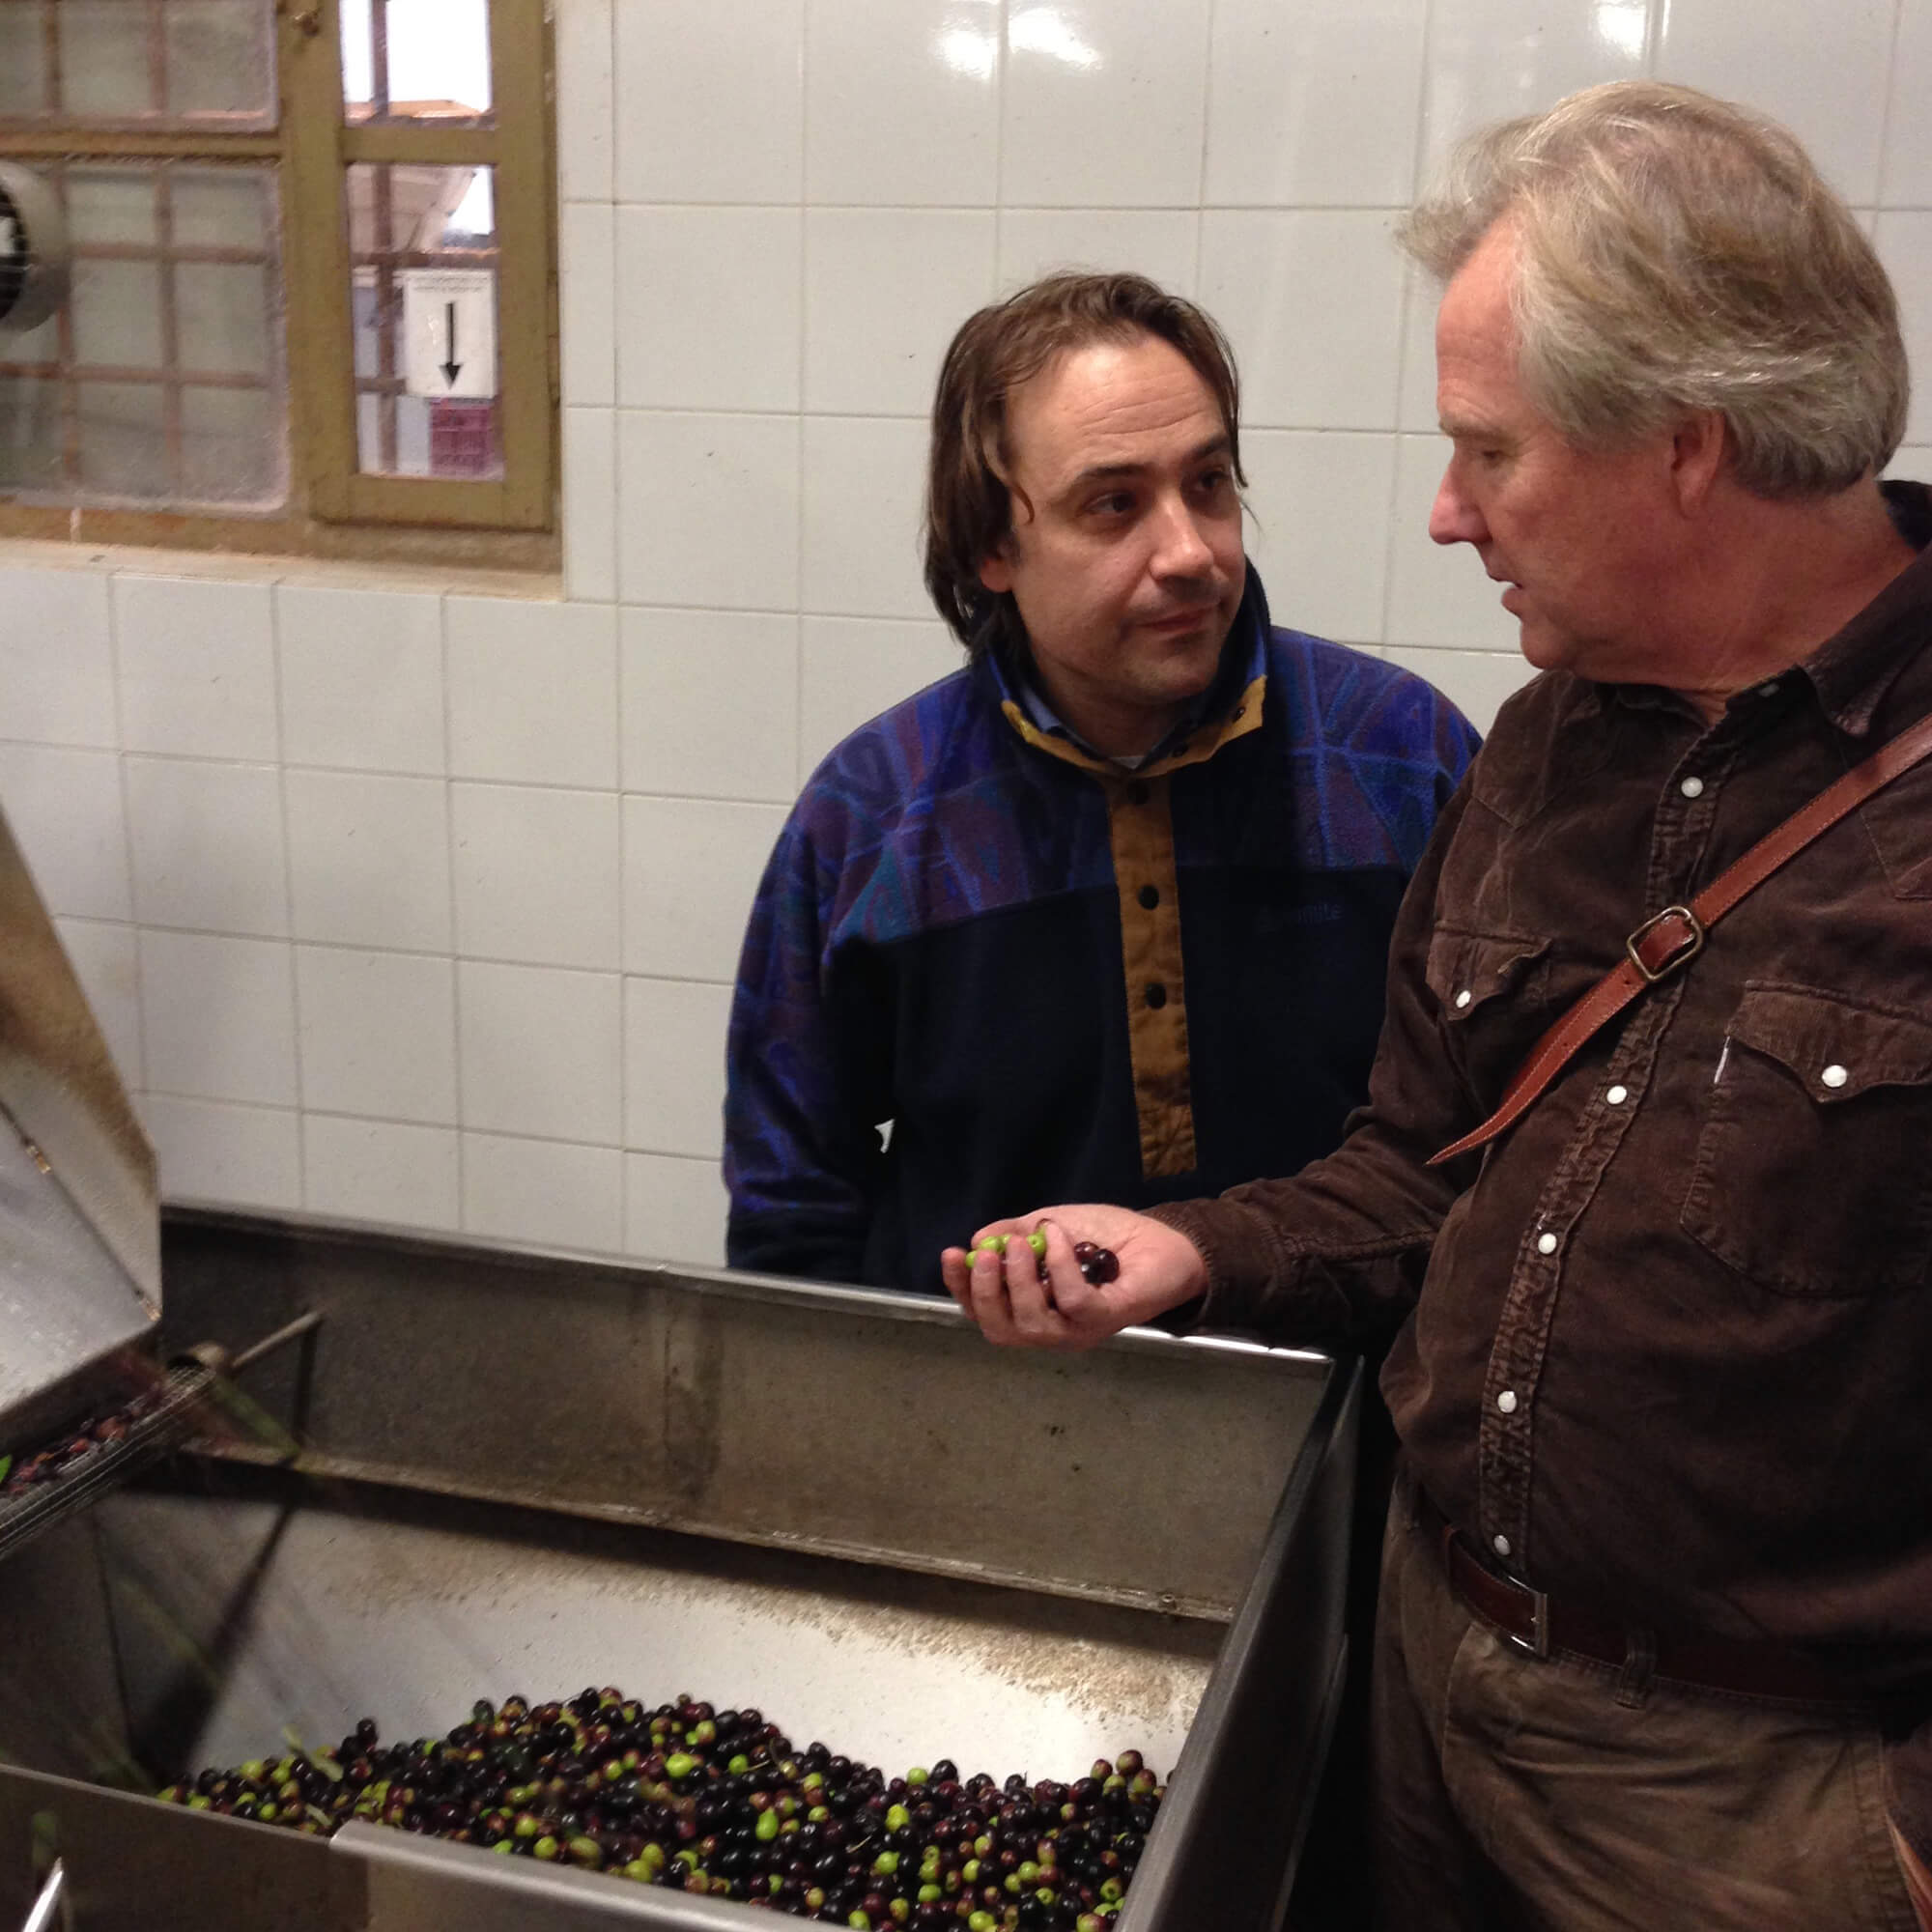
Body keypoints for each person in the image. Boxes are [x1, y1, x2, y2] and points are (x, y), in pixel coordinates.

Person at [943, 83, 1932, 1932]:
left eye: (1491, 451)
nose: (1447, 511)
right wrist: (1191, 1250)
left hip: (1763, 1814)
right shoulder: (1546, 746)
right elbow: (1426, 1170)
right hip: (1426, 1689)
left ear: (1687, 447)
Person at [724, 271, 1478, 1294]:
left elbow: (1497, 1139)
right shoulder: (873, 810)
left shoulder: (1398, 755)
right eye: (1114, 504)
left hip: (1337, 1375)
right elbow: (791, 1214)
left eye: (1208, 484)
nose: (1189, 552)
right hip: (979, 1379)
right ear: (993, 543)